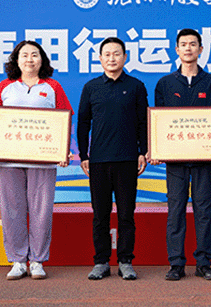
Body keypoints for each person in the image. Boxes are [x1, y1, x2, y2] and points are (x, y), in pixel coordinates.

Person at [0, 40, 73, 280]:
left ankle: (37, 260)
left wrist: (63, 150)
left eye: (35, 55)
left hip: (43, 160)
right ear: (16, 60)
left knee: (41, 210)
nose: (29, 59)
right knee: (11, 209)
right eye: (24, 55)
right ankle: (17, 260)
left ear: (42, 60)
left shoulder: (52, 86)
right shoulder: (5, 87)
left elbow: (64, 118)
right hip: (8, 161)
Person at [151, 29, 211, 281]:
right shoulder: (165, 84)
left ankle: (204, 262)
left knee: (204, 211)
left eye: (193, 44)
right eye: (183, 44)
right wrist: (155, 149)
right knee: (175, 210)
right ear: (176, 50)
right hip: (175, 160)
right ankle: (176, 263)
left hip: (203, 160)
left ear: (201, 49)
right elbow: (158, 122)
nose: (188, 48)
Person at [77, 37, 148, 280]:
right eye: (107, 54)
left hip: (127, 159)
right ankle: (101, 262)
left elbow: (143, 122)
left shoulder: (136, 86)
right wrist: (84, 155)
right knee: (101, 214)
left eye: (116, 54)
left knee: (127, 213)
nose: (112, 58)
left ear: (125, 57)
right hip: (98, 161)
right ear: (100, 59)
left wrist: (143, 151)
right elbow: (83, 123)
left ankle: (126, 261)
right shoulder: (91, 87)